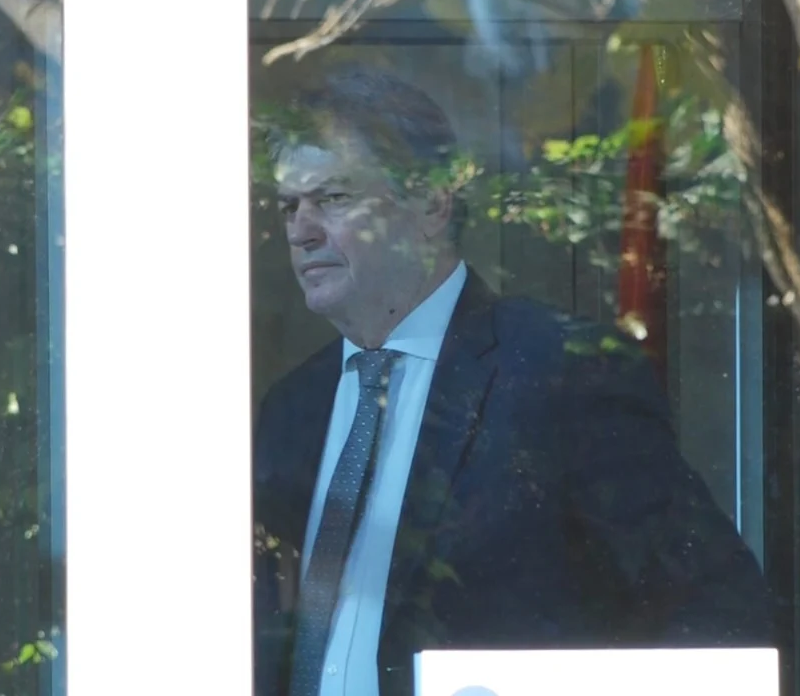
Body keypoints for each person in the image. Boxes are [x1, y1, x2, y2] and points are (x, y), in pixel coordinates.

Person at [251, 65, 773, 696]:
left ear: (431, 203)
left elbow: (716, 612)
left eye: (333, 198)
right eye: (289, 205)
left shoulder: (561, 371)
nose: (301, 230)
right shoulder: (291, 409)